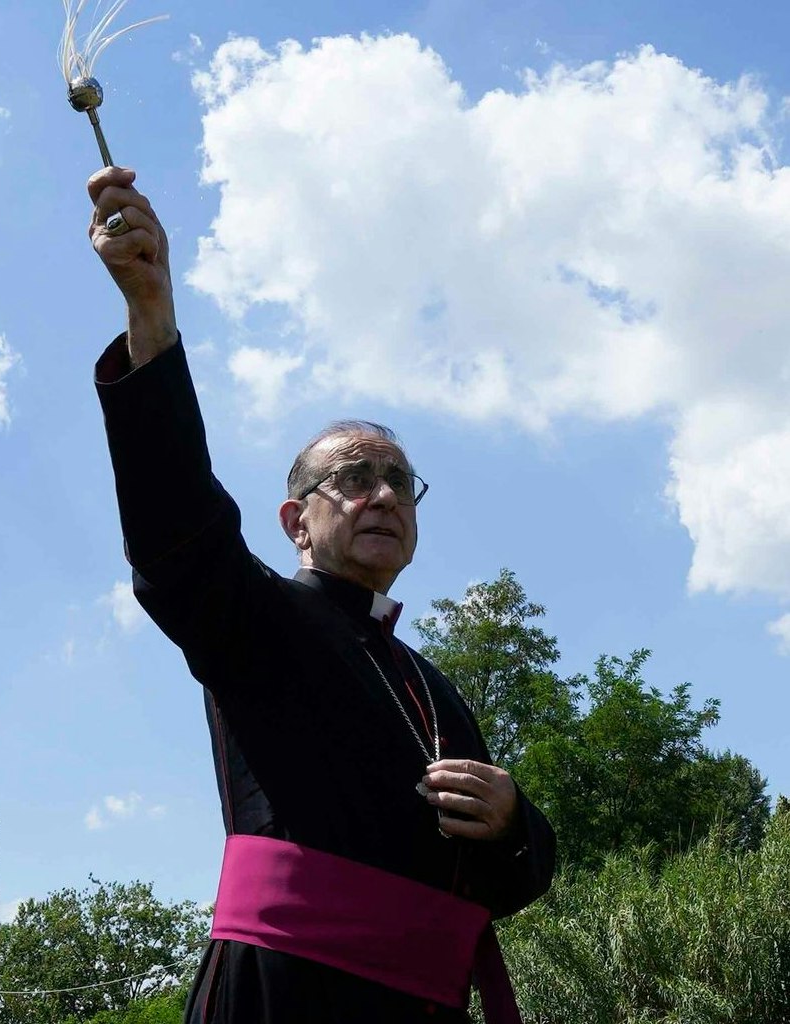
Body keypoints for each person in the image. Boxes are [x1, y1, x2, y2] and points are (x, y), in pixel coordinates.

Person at [86, 165, 556, 1024]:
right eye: (351, 479)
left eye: (398, 482)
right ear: (295, 522)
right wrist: (151, 320)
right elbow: (175, 529)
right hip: (288, 992)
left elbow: (504, 885)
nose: (381, 495)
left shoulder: (431, 684)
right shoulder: (252, 617)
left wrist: (512, 818)